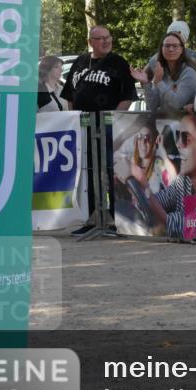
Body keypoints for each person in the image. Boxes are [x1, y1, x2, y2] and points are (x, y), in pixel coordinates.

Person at [60, 25, 138, 235]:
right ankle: (92, 217)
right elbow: (70, 95)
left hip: (108, 127)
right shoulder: (80, 61)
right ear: (90, 42)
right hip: (84, 126)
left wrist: (113, 120)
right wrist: (75, 119)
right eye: (100, 38)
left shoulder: (118, 63)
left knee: (111, 171)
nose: (106, 41)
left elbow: (127, 96)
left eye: (108, 37)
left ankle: (115, 219)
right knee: (88, 172)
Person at [144, 113, 196, 241]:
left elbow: (172, 224)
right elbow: (163, 199)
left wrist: (142, 184)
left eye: (186, 138)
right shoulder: (183, 181)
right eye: (178, 136)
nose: (178, 144)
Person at [134, 32, 196, 116]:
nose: (171, 49)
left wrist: (159, 83)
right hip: (165, 121)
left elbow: (177, 104)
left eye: (175, 46)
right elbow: (152, 106)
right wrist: (146, 83)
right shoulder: (161, 71)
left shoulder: (189, 73)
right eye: (167, 46)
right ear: (161, 49)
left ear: (181, 50)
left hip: (186, 121)